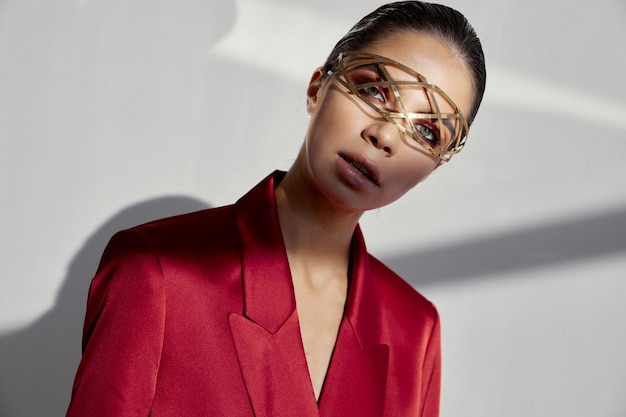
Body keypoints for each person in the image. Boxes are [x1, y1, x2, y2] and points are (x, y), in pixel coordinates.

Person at [65, 1, 486, 416]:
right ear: (317, 87)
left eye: (428, 131)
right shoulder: (155, 270)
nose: (385, 136)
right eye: (375, 90)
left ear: (433, 166)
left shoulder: (415, 331)